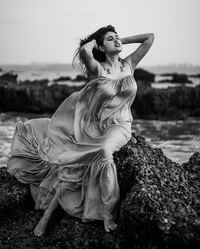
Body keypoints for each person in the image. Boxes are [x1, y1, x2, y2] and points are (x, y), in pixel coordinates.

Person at [7, 25, 154, 236]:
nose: (117, 41)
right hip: (93, 126)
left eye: (117, 37)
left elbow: (150, 37)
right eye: (110, 39)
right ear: (101, 47)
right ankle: (46, 217)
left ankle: (107, 214)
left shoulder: (129, 64)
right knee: (73, 168)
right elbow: (85, 50)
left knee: (104, 151)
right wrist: (99, 42)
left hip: (120, 126)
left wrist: (120, 39)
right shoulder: (97, 69)